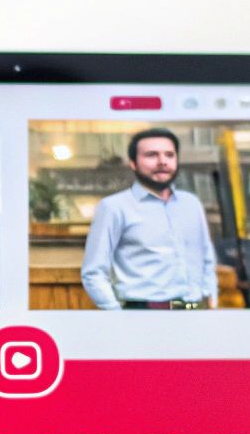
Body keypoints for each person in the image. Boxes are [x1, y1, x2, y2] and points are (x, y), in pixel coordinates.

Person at [79, 128, 218, 310]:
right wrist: (115, 314)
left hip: (196, 309)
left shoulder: (191, 204)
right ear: (133, 164)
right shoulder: (113, 207)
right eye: (151, 155)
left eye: (169, 155)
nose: (162, 162)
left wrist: (211, 297)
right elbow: (93, 271)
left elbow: (206, 255)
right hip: (144, 312)